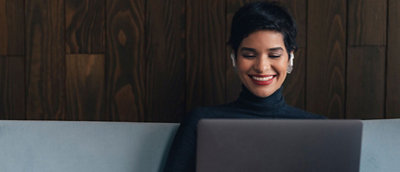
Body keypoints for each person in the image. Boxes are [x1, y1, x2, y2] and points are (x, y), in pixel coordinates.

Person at [163, 2, 326, 171]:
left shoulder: (319, 128)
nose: (262, 67)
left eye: (274, 55)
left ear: (290, 58)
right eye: (249, 55)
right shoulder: (201, 121)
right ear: (234, 58)